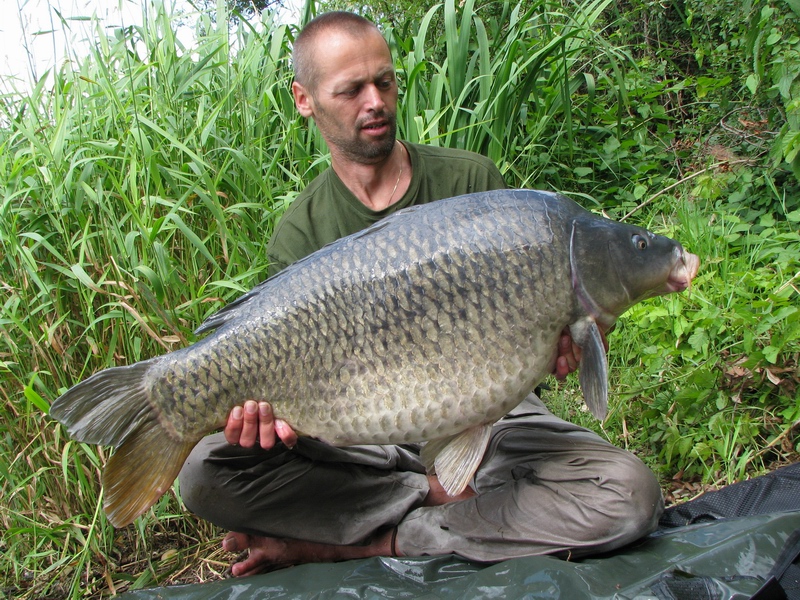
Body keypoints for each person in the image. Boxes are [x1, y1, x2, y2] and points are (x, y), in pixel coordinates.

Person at [178, 11, 663, 577]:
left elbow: (543, 338)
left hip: (493, 419)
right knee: (205, 473)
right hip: (360, 437)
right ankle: (452, 499)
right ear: (304, 99)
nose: (375, 100)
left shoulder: (471, 182)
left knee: (628, 496)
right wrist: (263, 423)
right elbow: (294, 409)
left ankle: (359, 543)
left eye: (383, 81)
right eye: (351, 89)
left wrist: (570, 338)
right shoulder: (300, 232)